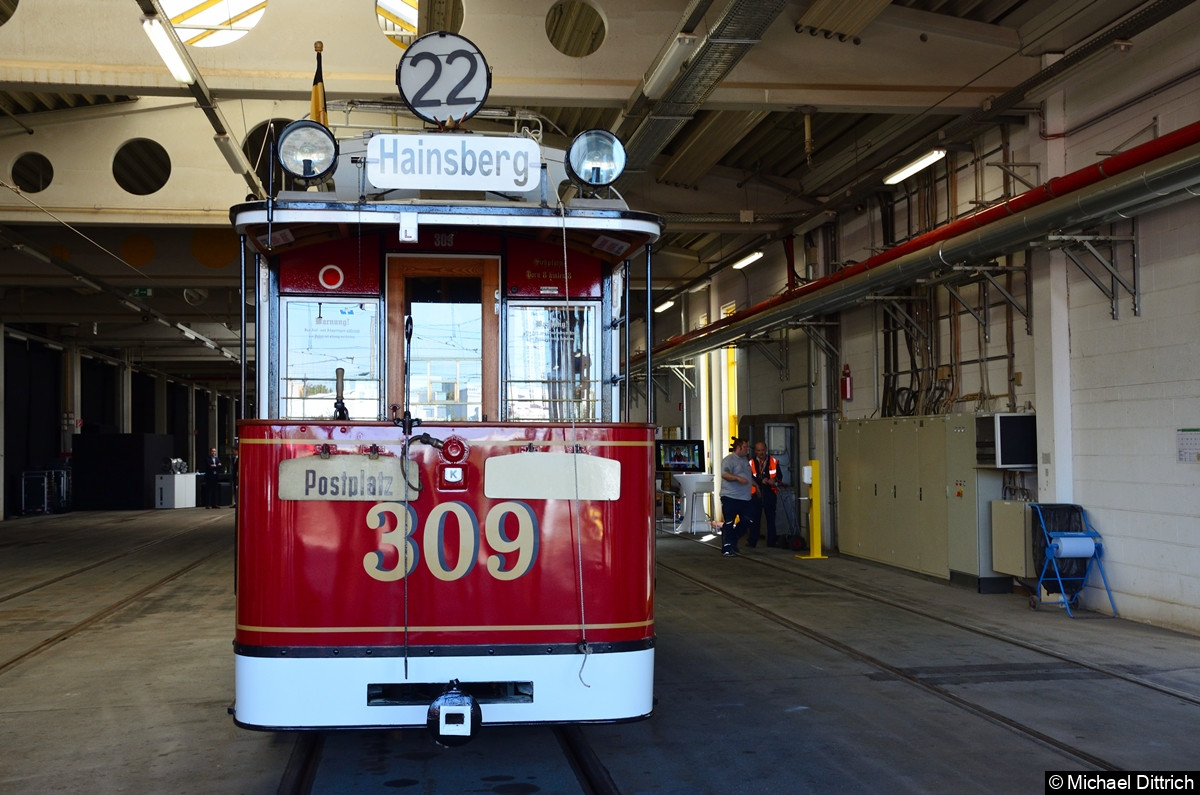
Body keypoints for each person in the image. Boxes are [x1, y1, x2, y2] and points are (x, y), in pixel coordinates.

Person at [719, 437, 754, 556]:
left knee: (748, 520)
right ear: (738, 447)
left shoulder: (745, 460)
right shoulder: (729, 460)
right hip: (730, 497)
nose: (747, 449)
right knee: (729, 522)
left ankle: (733, 540)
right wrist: (738, 478)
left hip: (745, 498)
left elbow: (747, 476)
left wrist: (756, 486)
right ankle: (727, 547)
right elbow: (725, 474)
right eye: (745, 447)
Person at [748, 441, 780, 548]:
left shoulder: (773, 461)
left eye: (762, 450)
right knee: (754, 519)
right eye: (758, 450)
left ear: (766, 449)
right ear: (755, 451)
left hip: (770, 493)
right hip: (756, 495)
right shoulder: (751, 463)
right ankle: (752, 541)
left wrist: (774, 479)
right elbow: (749, 476)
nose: (761, 452)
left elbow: (779, 476)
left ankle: (771, 542)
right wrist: (761, 480)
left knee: (771, 519)